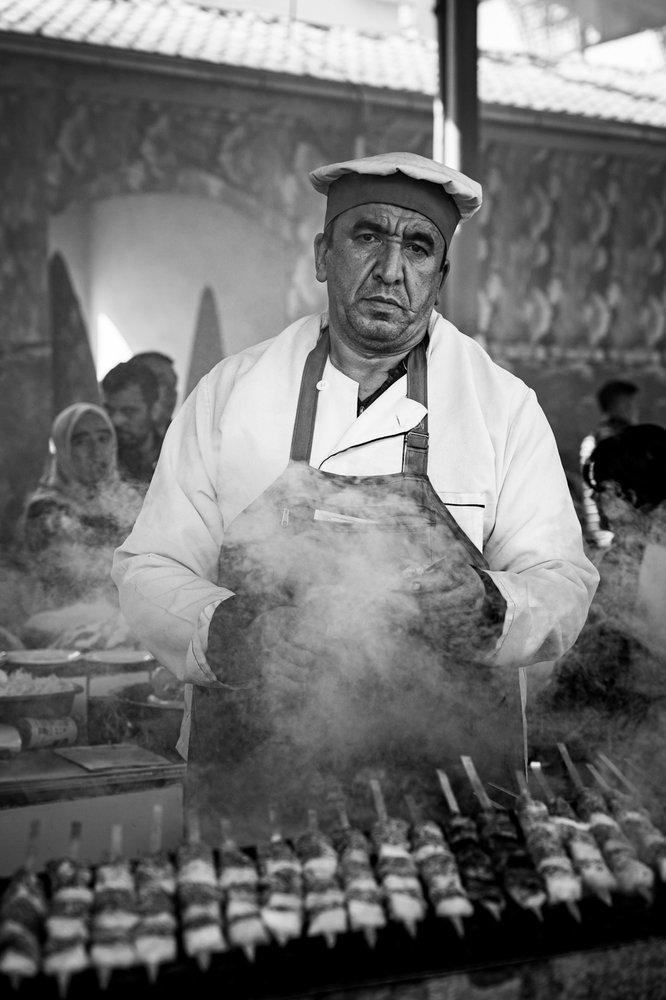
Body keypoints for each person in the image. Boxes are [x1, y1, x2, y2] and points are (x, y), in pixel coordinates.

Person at [112, 151, 598, 838]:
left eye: (418, 246)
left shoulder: (502, 407)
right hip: (257, 785)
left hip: (453, 795)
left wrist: (494, 608)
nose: (391, 269)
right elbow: (147, 569)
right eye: (368, 236)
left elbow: (564, 580)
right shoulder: (232, 394)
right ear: (323, 254)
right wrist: (226, 633)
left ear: (441, 274)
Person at [536, 423, 666, 769]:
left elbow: (628, 642)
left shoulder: (657, 553)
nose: (594, 499)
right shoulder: (629, 547)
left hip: (643, 726)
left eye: (604, 489)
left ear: (634, 493)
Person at [17, 402, 143, 603]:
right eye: (81, 442)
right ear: (63, 449)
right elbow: (75, 580)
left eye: (103, 439)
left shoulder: (130, 499)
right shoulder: (45, 510)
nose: (95, 450)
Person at [579, 378, 640, 552]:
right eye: (631, 404)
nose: (635, 410)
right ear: (620, 405)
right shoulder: (615, 441)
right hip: (614, 532)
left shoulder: (596, 437)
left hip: (604, 529)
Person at [101, 360, 163, 491]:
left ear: (154, 410)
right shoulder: (97, 460)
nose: (116, 420)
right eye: (109, 410)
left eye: (128, 411)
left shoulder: (178, 458)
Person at [128, 351, 179, 443]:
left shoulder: (182, 439)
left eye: (173, 384)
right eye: (161, 381)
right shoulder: (108, 433)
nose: (171, 392)